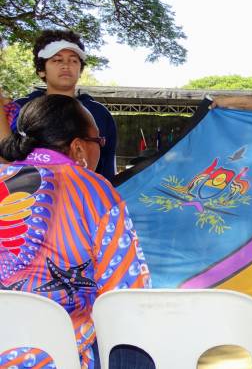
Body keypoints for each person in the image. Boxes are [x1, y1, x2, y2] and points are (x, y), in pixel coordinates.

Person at [0, 95, 151, 368]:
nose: (100, 150)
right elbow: (127, 293)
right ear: (79, 148)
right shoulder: (96, 190)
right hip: (61, 356)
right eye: (99, 142)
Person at [1, 29, 117, 179]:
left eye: (73, 60)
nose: (66, 65)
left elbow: (107, 166)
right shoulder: (19, 109)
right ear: (41, 70)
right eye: (57, 60)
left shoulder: (99, 113)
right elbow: (5, 154)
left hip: (83, 197)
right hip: (27, 195)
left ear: (80, 70)